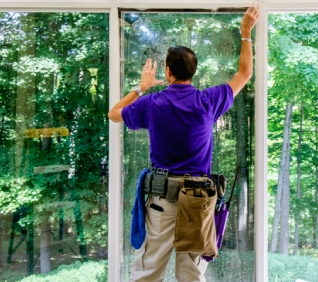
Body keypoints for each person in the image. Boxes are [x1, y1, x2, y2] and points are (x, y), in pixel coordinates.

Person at [108, 4, 259, 281]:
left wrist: (141, 87)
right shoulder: (207, 101)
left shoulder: (153, 103)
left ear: (168, 72)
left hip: (162, 202)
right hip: (198, 201)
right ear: (193, 71)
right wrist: (246, 33)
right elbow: (245, 74)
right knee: (191, 274)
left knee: (148, 272)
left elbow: (114, 114)